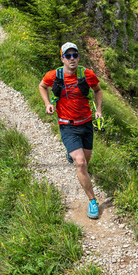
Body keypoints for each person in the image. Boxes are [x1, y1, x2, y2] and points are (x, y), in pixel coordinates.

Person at [39, 42, 103, 219]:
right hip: (67, 125)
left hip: (86, 124)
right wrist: (47, 104)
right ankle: (92, 201)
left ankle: (71, 153)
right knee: (80, 163)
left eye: (75, 55)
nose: (72, 59)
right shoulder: (54, 75)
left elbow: (98, 90)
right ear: (62, 59)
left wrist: (98, 109)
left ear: (78, 57)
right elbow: (42, 86)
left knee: (85, 162)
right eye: (68, 56)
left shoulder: (87, 74)